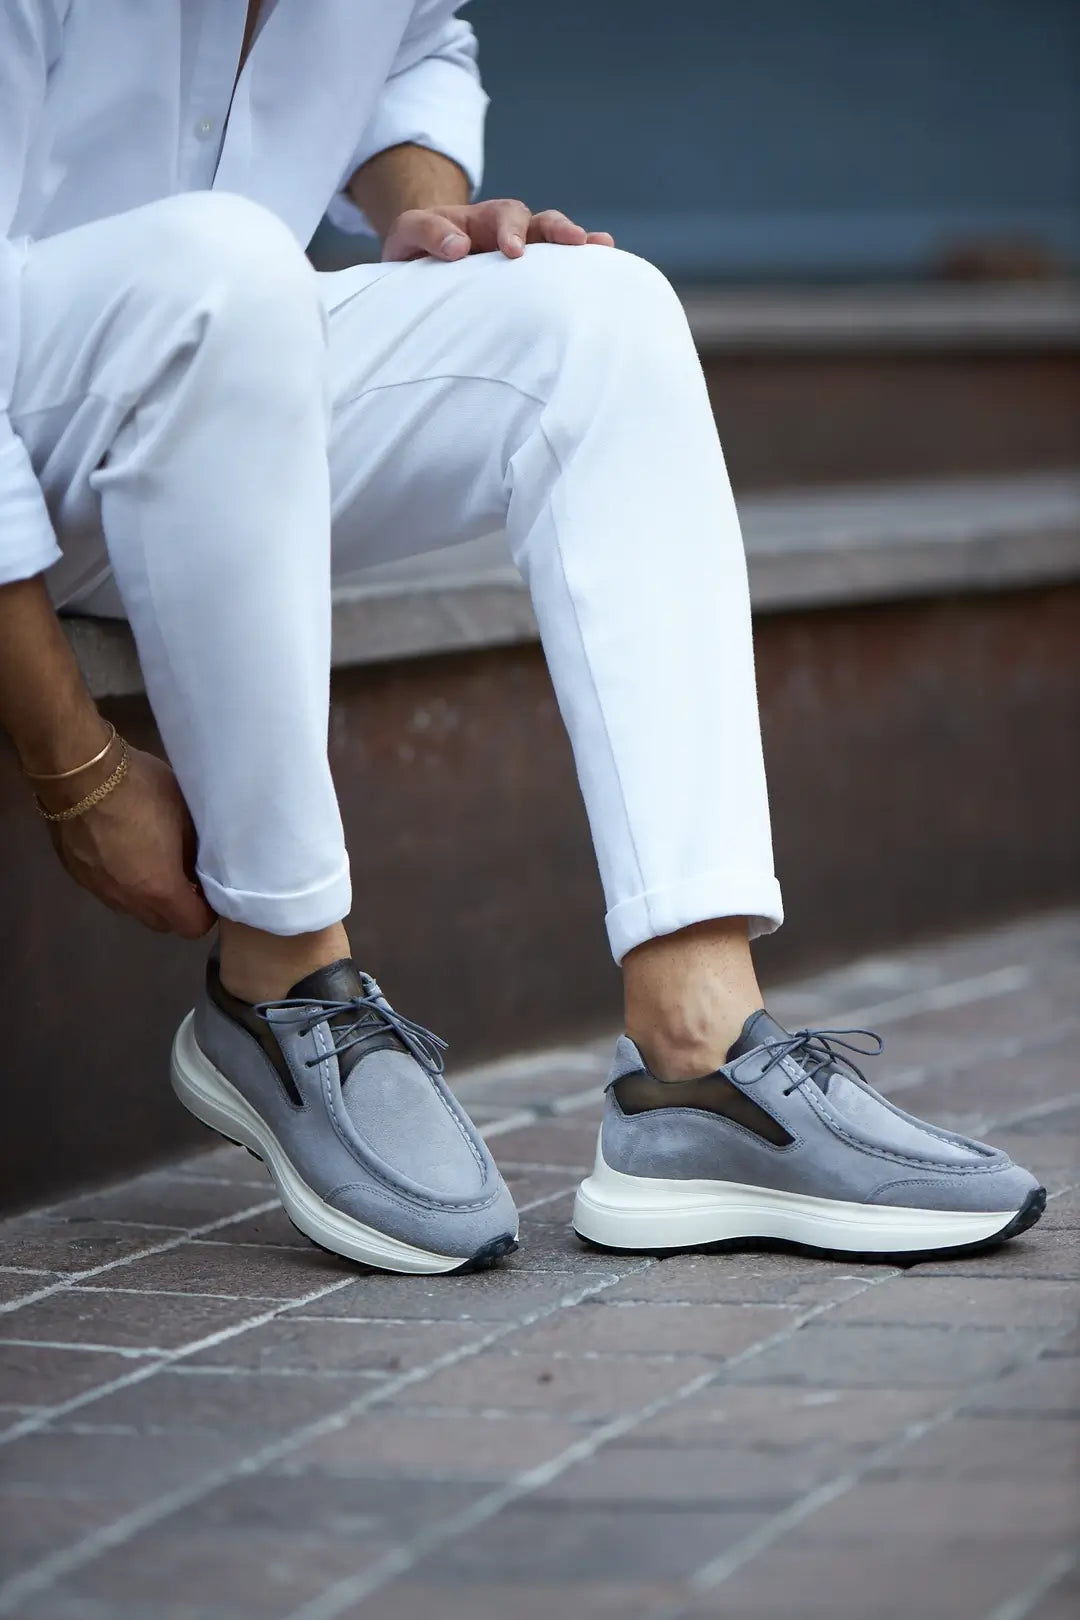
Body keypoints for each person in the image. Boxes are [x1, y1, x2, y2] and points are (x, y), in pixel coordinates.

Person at [0, 0, 1043, 1274]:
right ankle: (281, 979)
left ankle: (698, 1060)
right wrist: (76, 762)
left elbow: (414, 49)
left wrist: (417, 212)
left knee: (599, 311)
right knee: (227, 262)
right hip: (39, 409)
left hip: (232, 383)